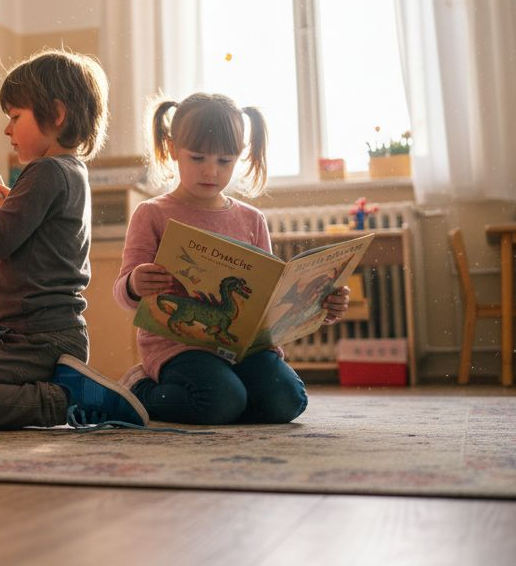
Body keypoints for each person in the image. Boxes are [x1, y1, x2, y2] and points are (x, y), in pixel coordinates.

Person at [0, 50, 148, 430]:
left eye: (15, 117)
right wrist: (4, 212)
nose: (7, 130)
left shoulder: (45, 171)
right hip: (41, 336)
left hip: (33, 339)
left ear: (56, 114)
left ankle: (61, 400)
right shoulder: (70, 171)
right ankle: (60, 391)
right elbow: (27, 238)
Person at [114, 93, 349, 425]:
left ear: (240, 156)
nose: (211, 171)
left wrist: (318, 305)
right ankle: (139, 391)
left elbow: (268, 299)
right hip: (178, 348)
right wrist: (135, 284)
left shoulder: (252, 220)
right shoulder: (152, 214)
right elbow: (124, 294)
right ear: (171, 149)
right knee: (219, 400)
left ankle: (226, 399)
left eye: (225, 161)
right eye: (197, 158)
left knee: (288, 401)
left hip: (244, 350)